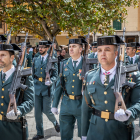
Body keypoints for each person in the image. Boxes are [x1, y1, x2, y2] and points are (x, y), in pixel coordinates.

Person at [81, 35, 140, 140]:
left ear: (116, 53)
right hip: (95, 132)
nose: (102, 53)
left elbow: (138, 102)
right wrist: (84, 134)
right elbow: (86, 108)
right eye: (99, 50)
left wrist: (129, 113)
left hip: (120, 131)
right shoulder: (90, 76)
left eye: (107, 50)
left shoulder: (133, 75)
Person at [51, 38, 87, 140]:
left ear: (81, 49)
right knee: (65, 136)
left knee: (84, 136)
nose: (71, 49)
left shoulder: (87, 64)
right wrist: (54, 105)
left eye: (74, 46)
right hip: (66, 104)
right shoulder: (64, 64)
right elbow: (59, 85)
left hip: (82, 105)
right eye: (70, 47)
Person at [0, 43, 34, 140]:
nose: (0, 58)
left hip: (15, 129)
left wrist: (19, 111)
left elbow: (30, 102)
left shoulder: (24, 76)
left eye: (3, 55)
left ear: (12, 58)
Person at [32, 40, 60, 140]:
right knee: (37, 113)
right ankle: (40, 133)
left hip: (47, 88)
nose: (40, 49)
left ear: (47, 48)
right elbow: (32, 74)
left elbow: (56, 76)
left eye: (43, 47)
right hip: (36, 87)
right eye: (39, 47)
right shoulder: (36, 59)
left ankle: (55, 122)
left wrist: (51, 81)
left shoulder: (52, 59)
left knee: (47, 110)